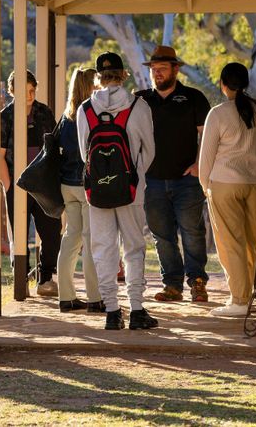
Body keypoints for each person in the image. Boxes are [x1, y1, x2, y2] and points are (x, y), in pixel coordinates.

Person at [76, 52, 158, 330]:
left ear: (98, 78)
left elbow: (84, 153)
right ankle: (136, 309)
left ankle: (112, 311)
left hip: (97, 191)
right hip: (131, 190)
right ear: (123, 75)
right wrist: (134, 176)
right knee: (133, 248)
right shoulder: (139, 107)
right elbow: (149, 151)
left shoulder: (85, 109)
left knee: (103, 249)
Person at [135, 46, 212, 304]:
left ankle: (197, 282)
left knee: (193, 232)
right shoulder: (140, 100)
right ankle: (172, 285)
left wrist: (199, 164)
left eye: (162, 68)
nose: (156, 73)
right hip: (152, 181)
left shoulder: (193, 98)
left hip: (187, 181)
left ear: (176, 69)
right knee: (162, 236)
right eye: (153, 69)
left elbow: (207, 135)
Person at [198, 62, 256, 317]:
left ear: (223, 84)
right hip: (254, 184)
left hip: (224, 184)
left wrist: (205, 185)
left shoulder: (217, 113)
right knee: (250, 242)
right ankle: (245, 296)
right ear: (245, 83)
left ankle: (239, 301)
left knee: (231, 243)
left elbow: (206, 155)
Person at [0, 69, 60, 296]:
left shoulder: (44, 112)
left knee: (52, 232)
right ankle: (21, 278)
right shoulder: (5, 117)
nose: (29, 95)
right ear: (12, 91)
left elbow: (54, 147)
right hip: (17, 184)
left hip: (44, 185)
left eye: (32, 90)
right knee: (19, 235)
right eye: (24, 91)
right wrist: (8, 186)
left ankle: (46, 279)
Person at [56, 67, 103, 314]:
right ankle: (95, 298)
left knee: (71, 238)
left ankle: (66, 296)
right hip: (86, 185)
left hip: (66, 185)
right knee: (90, 240)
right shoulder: (91, 114)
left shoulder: (65, 117)